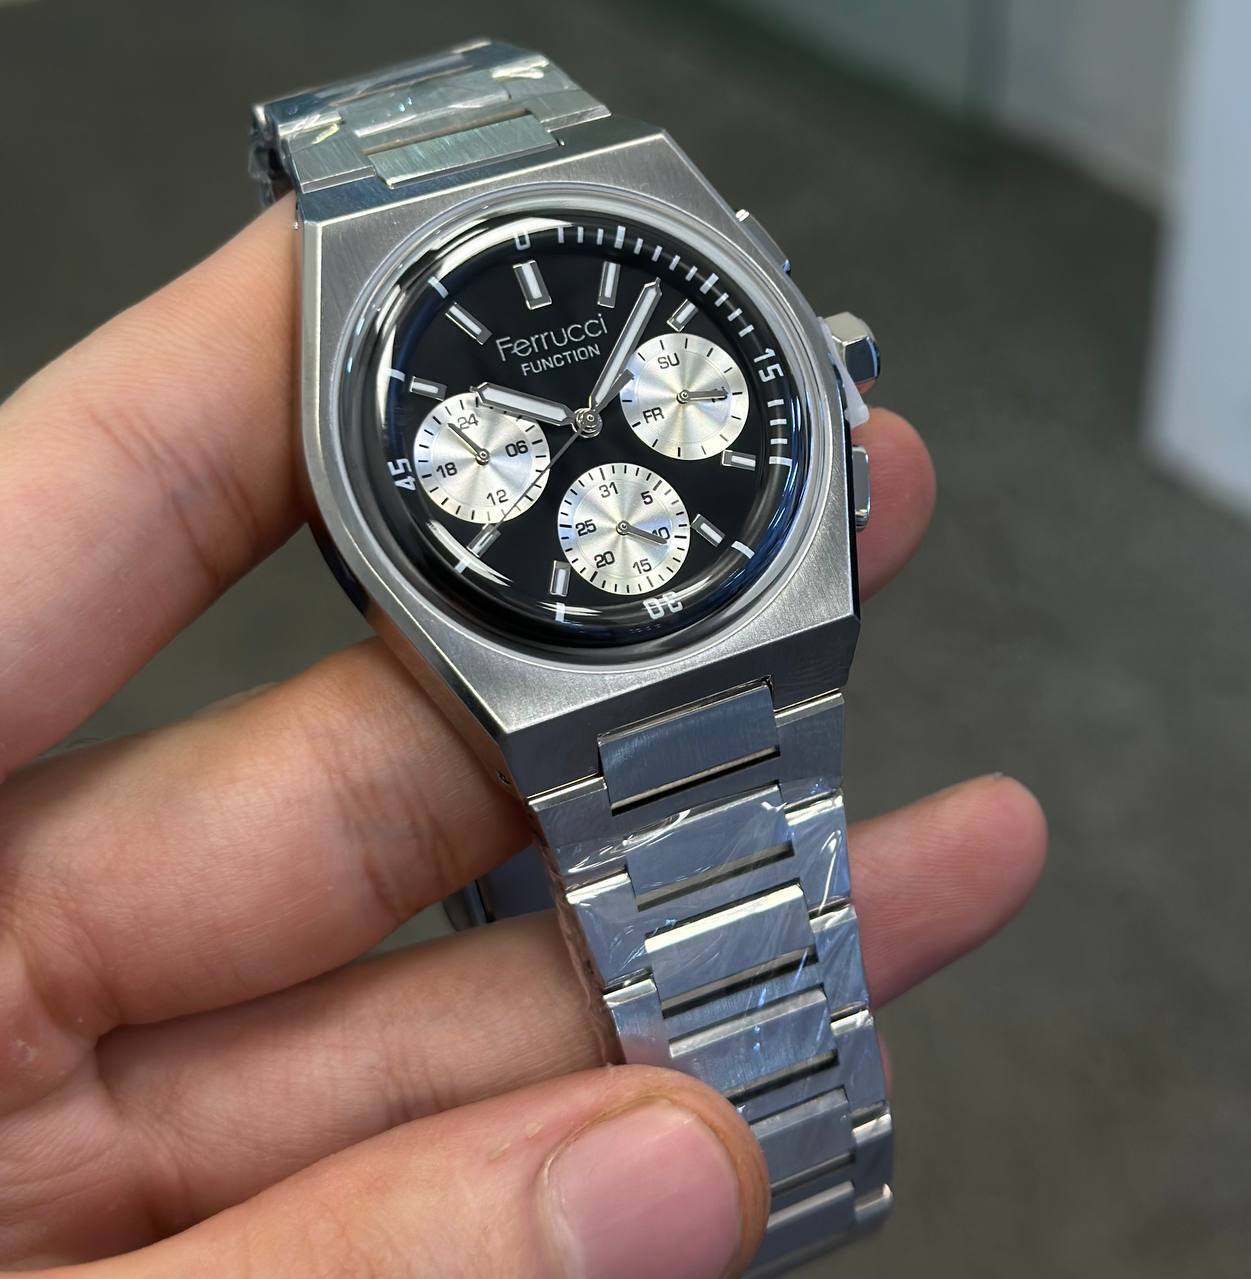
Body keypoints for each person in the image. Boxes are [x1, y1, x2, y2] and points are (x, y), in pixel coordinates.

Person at [0, 202, 1047, 1278]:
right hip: (552, 676)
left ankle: (783, 1170)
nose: (587, 422)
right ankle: (765, 1179)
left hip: (751, 618)